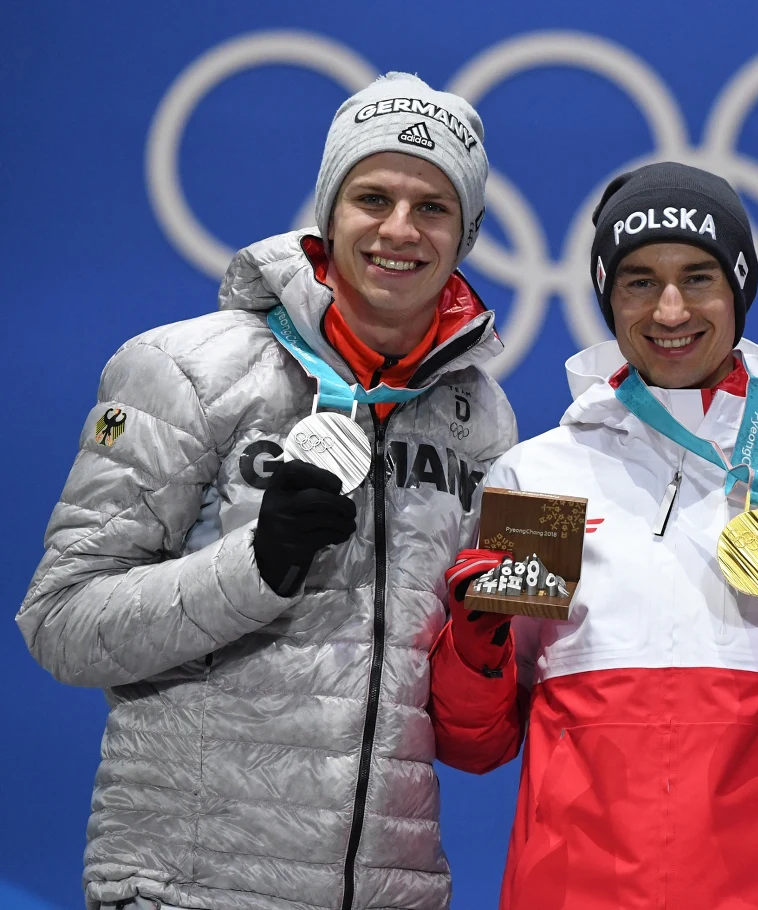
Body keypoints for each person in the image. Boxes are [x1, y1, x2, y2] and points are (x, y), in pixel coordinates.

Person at [17, 73, 515, 910]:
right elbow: (61, 624)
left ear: (467, 233)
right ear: (328, 209)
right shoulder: (185, 370)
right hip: (189, 886)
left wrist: (486, 643)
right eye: (373, 197)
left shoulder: (481, 418)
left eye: (433, 207)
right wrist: (257, 567)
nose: (400, 229)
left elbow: (462, 718)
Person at [428, 162, 758, 909]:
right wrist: (472, 647)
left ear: (741, 288)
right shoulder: (541, 477)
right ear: (607, 298)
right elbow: (477, 746)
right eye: (639, 281)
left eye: (699, 277)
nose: (671, 309)